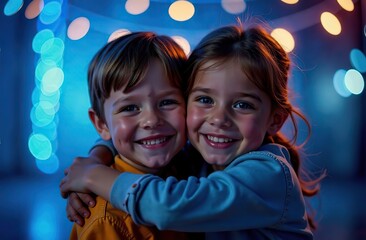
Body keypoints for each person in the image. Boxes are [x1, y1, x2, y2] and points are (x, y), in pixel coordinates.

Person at [60, 24, 323, 240]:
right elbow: (130, 134)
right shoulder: (198, 157)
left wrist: (94, 176)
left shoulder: (269, 175)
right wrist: (98, 156)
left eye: (243, 105)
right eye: (205, 100)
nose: (219, 119)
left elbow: (167, 207)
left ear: (274, 120)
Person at [66, 31, 202, 239]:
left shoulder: (192, 165)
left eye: (167, 102)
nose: (151, 120)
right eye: (130, 108)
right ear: (101, 124)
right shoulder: (107, 221)